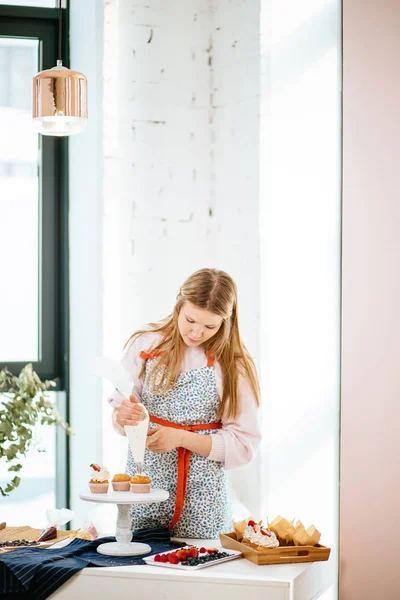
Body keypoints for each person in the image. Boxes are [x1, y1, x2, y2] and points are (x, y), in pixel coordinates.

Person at [108, 268, 261, 539]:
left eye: (210, 326)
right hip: (144, 494)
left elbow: (244, 445)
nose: (196, 332)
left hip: (203, 505)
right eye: (190, 319)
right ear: (179, 303)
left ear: (227, 320)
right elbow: (120, 418)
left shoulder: (233, 366)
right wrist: (123, 418)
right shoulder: (145, 344)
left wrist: (180, 438)